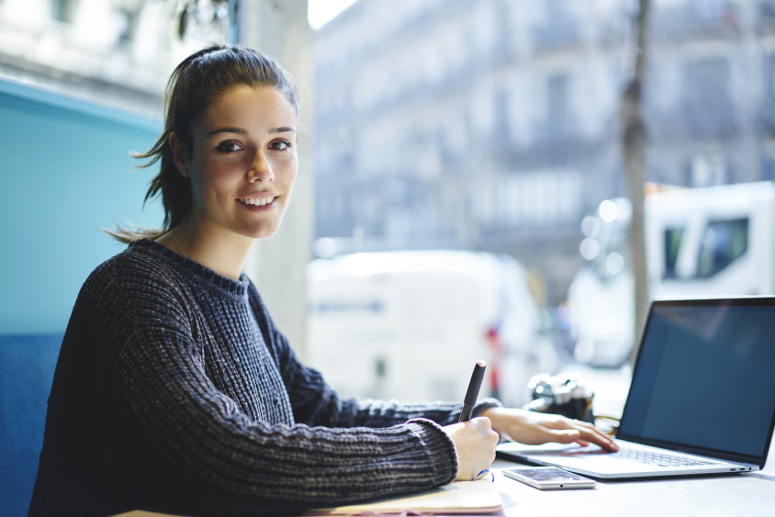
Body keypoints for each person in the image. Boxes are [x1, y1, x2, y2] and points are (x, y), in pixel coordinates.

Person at [28, 44, 617, 517]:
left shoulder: (238, 294)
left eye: (280, 144)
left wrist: (483, 418)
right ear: (182, 155)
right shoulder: (133, 290)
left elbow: (323, 411)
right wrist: (438, 452)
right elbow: (222, 459)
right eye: (232, 146)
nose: (263, 171)